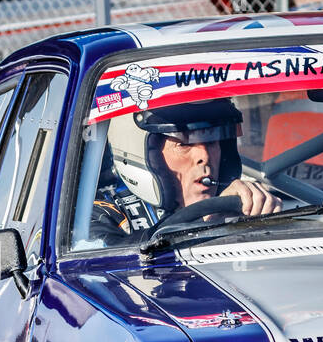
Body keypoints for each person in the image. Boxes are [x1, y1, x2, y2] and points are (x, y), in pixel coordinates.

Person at [94, 99, 278, 242]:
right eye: (184, 144)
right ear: (142, 154)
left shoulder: (244, 205)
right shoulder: (99, 213)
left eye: (212, 142)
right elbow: (105, 261)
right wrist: (208, 221)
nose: (204, 157)